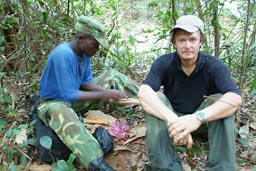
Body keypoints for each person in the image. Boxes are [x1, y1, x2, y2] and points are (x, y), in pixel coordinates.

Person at [137, 15, 242, 171]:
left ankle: (221, 167)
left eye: (192, 40)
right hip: (173, 123)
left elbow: (235, 98)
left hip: (204, 121)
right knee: (155, 97)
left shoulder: (214, 65)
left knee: (222, 100)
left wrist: (197, 118)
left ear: (200, 42)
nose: (187, 45)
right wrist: (174, 120)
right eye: (182, 40)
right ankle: (167, 167)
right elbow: (143, 92)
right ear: (174, 43)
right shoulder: (164, 63)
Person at [37, 15, 139, 170]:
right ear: (81, 38)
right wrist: (105, 95)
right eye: (95, 45)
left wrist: (108, 91)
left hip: (73, 99)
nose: (97, 50)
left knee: (111, 75)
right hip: (54, 103)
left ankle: (149, 96)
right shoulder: (62, 54)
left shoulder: (83, 55)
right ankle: (97, 163)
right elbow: (69, 95)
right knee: (62, 112)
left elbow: (86, 83)